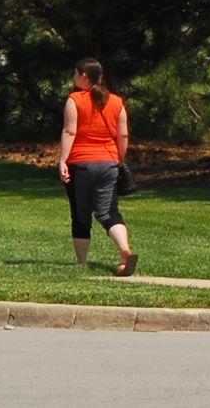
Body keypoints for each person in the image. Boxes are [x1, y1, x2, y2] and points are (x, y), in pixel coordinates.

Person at [57, 56, 135, 276]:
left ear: (84, 76)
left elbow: (70, 131)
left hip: (80, 164)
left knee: (80, 214)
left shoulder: (74, 99)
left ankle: (81, 262)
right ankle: (124, 248)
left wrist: (62, 160)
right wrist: (119, 159)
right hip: (109, 162)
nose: (74, 77)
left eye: (75, 73)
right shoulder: (117, 102)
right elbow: (123, 134)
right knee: (109, 212)